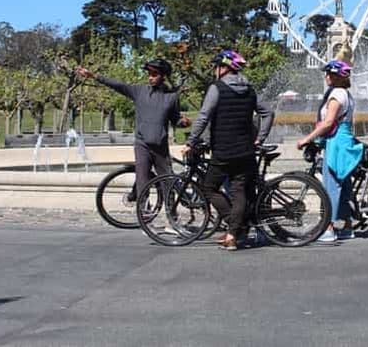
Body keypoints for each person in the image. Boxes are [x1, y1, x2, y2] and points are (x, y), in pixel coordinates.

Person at [181, 50, 274, 251]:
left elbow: (204, 116)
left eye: (216, 66)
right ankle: (233, 233)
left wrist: (191, 141)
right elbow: (268, 112)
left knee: (209, 188)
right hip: (246, 150)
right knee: (239, 190)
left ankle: (234, 226)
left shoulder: (217, 88)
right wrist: (260, 138)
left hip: (224, 150)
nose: (215, 70)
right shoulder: (249, 89)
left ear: (223, 68)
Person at [76, 59, 190, 200]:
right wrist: (93, 76)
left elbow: (175, 119)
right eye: (149, 74)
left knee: (168, 182)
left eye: (154, 74)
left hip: (160, 146)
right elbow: (118, 85)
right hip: (142, 144)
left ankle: (172, 214)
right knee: (142, 180)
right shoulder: (139, 91)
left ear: (163, 76)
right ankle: (144, 213)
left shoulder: (172, 97)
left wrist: (183, 123)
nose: (150, 77)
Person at [296, 59, 363, 243]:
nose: (325, 77)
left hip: (336, 142)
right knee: (344, 184)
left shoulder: (337, 95)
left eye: (328, 73)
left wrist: (307, 139)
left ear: (335, 76)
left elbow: (328, 123)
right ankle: (347, 226)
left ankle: (329, 227)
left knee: (331, 185)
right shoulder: (346, 94)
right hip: (344, 139)